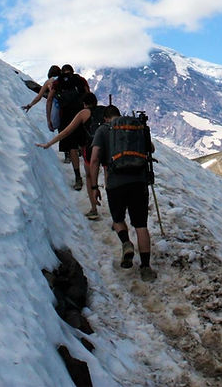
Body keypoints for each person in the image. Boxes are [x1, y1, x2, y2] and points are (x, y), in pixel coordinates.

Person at [89, 107, 158, 282]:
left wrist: (94, 185)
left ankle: (126, 242)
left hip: (115, 183)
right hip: (139, 182)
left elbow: (95, 158)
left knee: (118, 219)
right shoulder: (136, 127)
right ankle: (145, 267)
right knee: (141, 225)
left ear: (105, 118)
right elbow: (151, 148)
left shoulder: (103, 130)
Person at [37, 93, 101, 213]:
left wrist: (49, 144)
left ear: (84, 104)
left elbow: (66, 132)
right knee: (109, 177)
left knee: (89, 176)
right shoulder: (105, 111)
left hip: (91, 148)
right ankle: (117, 218)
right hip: (106, 148)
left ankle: (93, 208)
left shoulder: (83, 113)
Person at [46, 65, 91, 189]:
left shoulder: (57, 82)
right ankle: (90, 174)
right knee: (84, 144)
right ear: (72, 71)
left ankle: (78, 177)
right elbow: (89, 95)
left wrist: (49, 119)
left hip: (66, 118)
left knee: (72, 147)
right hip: (82, 116)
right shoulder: (80, 80)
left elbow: (49, 100)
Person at [22, 66, 61, 132]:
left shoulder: (49, 81)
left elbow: (39, 97)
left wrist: (29, 105)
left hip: (58, 106)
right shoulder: (65, 79)